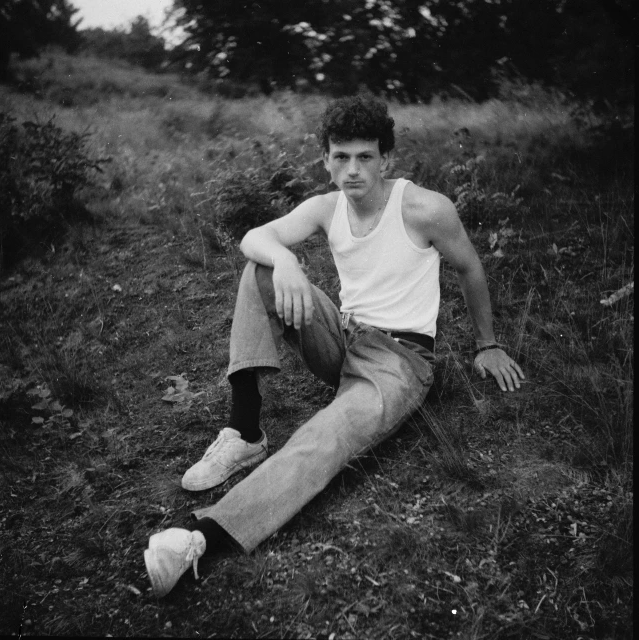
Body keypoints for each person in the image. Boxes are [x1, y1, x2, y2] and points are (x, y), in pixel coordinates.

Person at [143, 96, 525, 598]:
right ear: (325, 161)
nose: (352, 170)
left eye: (365, 157)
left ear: (385, 159)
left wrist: (488, 344)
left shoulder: (424, 207)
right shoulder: (327, 207)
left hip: (398, 363)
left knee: (324, 437)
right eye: (340, 157)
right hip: (343, 340)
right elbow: (255, 237)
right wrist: (285, 263)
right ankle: (245, 431)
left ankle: (201, 539)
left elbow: (471, 267)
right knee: (260, 269)